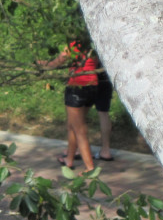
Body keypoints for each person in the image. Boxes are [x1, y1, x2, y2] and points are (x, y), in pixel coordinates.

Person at [41, 36, 114, 172]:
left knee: (79, 129)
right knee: (71, 125)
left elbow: (59, 60)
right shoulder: (94, 42)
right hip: (92, 86)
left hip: (77, 86)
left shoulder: (75, 44)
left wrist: (42, 64)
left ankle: (89, 168)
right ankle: (69, 159)